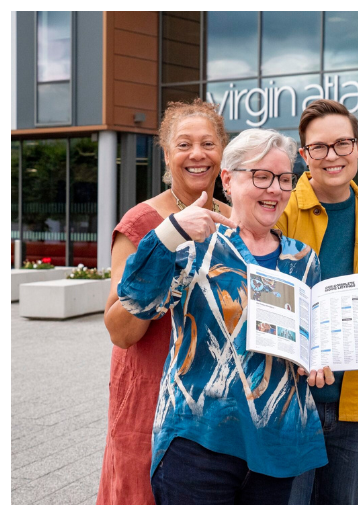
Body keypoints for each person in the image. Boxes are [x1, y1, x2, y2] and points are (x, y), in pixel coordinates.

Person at [117, 128, 328, 505]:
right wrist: (171, 231)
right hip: (199, 441)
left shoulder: (303, 259)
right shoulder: (194, 244)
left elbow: (313, 342)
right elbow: (136, 302)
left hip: (278, 443)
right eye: (261, 176)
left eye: (284, 179)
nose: (275, 189)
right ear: (228, 180)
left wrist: (320, 360)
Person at [97, 99, 231, 504]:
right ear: (167, 154)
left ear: (222, 151)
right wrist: (169, 236)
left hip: (215, 407)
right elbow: (120, 331)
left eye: (208, 143)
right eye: (184, 144)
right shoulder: (141, 223)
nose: (197, 154)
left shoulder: (235, 220)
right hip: (150, 398)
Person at [277, 99, 358, 505]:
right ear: (303, 155)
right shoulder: (280, 211)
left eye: (342, 144)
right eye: (319, 147)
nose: (332, 156)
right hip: (288, 400)